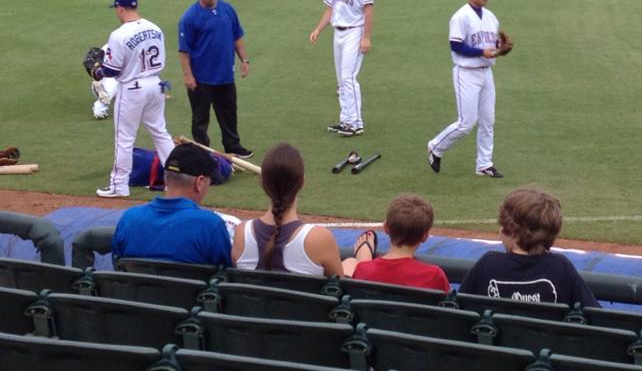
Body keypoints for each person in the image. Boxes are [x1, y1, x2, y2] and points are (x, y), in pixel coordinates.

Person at [93, 0, 175, 198]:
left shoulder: (119, 35)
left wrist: (97, 72)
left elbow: (111, 71)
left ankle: (119, 186)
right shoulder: (155, 28)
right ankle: (175, 182)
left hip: (132, 89)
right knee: (161, 133)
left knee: (124, 139)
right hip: (156, 85)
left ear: (120, 9)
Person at [459, 186, 598, 307]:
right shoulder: (561, 267)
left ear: (512, 233)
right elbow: (595, 315)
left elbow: (458, 309)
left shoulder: (488, 264)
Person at [427, 0, 509, 178]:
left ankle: (484, 164)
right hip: (466, 74)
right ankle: (435, 146)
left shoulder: (491, 17)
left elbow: (492, 46)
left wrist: (501, 49)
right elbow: (456, 45)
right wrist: (482, 53)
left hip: (486, 74)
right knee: (466, 123)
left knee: (488, 121)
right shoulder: (460, 17)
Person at [232, 143, 344, 275]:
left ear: (262, 182)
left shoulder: (241, 234)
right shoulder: (319, 239)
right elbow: (339, 287)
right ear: (302, 183)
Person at [111, 144, 232, 265]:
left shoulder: (129, 218)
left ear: (165, 178)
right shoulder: (210, 225)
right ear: (199, 182)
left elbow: (118, 265)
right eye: (208, 183)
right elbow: (224, 273)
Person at [178, 0, 252, 158]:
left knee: (229, 114)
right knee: (200, 118)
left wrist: (244, 60)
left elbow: (237, 37)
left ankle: (233, 146)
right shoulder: (189, 17)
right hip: (201, 78)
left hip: (225, 75)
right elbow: (184, 51)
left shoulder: (227, 9)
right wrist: (188, 76)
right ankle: (202, 151)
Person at [310, 0, 374, 137]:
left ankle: (356, 123)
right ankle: (346, 120)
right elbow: (330, 9)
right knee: (341, 80)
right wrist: (317, 29)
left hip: (355, 32)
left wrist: (366, 37)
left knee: (348, 78)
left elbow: (368, 9)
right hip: (338, 33)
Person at [352, 193, 450, 292]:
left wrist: (363, 261)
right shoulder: (434, 276)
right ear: (425, 236)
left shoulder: (363, 270)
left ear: (386, 227)